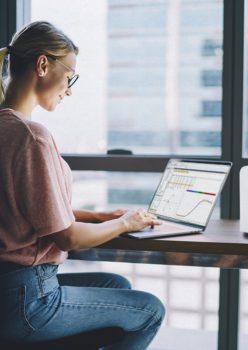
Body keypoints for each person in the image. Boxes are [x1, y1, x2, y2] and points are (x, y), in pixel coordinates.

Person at [0, 21, 165, 349]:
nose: (69, 89)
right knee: (150, 310)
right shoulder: (32, 136)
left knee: (114, 283)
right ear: (43, 65)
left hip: (9, 289)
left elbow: (23, 207)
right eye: (70, 75)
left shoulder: (6, 128)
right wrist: (125, 223)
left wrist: (98, 217)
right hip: (28, 303)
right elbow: (68, 237)